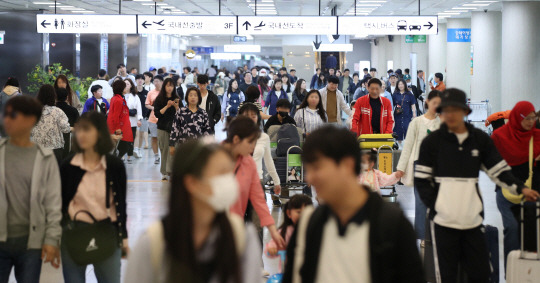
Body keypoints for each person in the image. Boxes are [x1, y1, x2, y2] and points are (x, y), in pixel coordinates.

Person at [415, 88, 539, 283]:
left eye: (456, 110)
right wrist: (437, 206)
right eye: (446, 110)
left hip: (473, 222)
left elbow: (499, 171)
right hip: (443, 223)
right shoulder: (432, 143)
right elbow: (422, 180)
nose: (451, 115)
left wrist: (521, 189)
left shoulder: (478, 140)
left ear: (465, 112)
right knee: (447, 276)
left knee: (481, 274)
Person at [283, 125, 424, 283]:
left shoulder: (393, 225)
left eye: (317, 167)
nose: (309, 179)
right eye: (308, 169)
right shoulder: (309, 224)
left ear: (347, 165)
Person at [124, 141, 261, 283]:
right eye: (222, 174)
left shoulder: (242, 238)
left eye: (230, 173)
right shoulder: (152, 244)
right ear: (192, 183)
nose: (230, 181)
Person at [59, 111, 128, 283]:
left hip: (107, 232)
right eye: (79, 130)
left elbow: (120, 204)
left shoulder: (114, 165)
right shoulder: (68, 166)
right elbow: (59, 204)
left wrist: (123, 237)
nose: (81, 134)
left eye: (87, 130)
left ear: (99, 133)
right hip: (73, 233)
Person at [0, 96, 62, 282]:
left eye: (13, 115)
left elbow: (53, 202)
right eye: (5, 114)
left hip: (31, 243)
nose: (7, 119)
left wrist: (51, 240)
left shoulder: (45, 158)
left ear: (30, 120)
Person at [223, 116, 286, 250]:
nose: (253, 148)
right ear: (236, 139)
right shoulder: (214, 158)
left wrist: (273, 230)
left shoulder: (248, 163)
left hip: (235, 224)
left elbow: (258, 199)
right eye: (251, 142)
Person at [491, 101, 540, 272]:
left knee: (532, 232)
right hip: (506, 192)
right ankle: (511, 272)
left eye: (533, 118)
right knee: (512, 229)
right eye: (527, 118)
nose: (530, 122)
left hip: (530, 192)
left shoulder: (536, 136)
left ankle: (529, 272)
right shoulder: (500, 136)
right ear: (517, 118)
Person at [395, 90, 441, 241]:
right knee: (420, 202)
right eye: (434, 103)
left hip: (437, 167)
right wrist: (400, 168)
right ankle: (422, 237)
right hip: (419, 164)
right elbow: (407, 145)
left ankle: (435, 234)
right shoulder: (417, 122)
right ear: (427, 102)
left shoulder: (442, 123)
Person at [239, 103, 283, 226]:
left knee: (257, 224)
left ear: (258, 118)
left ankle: (257, 246)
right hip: (239, 183)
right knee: (239, 225)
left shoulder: (263, 137)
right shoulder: (235, 137)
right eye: (246, 116)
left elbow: (268, 160)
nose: (250, 118)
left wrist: (276, 181)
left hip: (257, 183)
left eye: (253, 116)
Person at [31, 85, 71, 163]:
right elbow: (66, 129)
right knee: (55, 174)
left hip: (38, 148)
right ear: (53, 96)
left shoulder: (34, 111)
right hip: (55, 148)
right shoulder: (57, 111)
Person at [169, 87, 211, 155]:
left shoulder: (203, 113)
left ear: (199, 98)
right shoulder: (180, 111)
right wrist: (172, 145)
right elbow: (175, 128)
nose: (193, 97)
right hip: (183, 147)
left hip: (199, 148)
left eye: (195, 95)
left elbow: (207, 130)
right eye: (190, 95)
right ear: (187, 98)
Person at [153, 78, 180, 180]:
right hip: (162, 127)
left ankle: (172, 171)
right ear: (164, 87)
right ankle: (164, 172)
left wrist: (176, 107)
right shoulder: (159, 99)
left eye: (171, 86)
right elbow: (157, 114)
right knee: (164, 150)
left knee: (173, 150)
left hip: (175, 128)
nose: (170, 88)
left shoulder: (177, 98)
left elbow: (181, 114)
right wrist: (167, 106)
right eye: (168, 85)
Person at [107, 80, 134, 162]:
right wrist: (118, 128)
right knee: (120, 147)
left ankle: (114, 162)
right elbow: (115, 115)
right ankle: (114, 163)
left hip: (121, 126)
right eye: (125, 87)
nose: (126, 88)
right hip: (118, 127)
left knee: (121, 147)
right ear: (121, 88)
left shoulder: (117, 98)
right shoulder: (118, 100)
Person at [55, 88, 79, 158]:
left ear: (55, 97)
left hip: (55, 141)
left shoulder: (53, 110)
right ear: (67, 97)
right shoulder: (73, 110)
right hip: (69, 140)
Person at [145, 75, 163, 165]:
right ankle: (156, 156)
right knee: (154, 138)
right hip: (153, 119)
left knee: (163, 139)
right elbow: (147, 104)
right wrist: (153, 108)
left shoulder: (165, 93)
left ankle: (164, 155)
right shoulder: (151, 92)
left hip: (164, 119)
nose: (156, 83)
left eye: (157, 81)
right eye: (154, 81)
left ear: (162, 82)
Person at [124, 78, 143, 164]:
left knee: (131, 139)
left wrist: (139, 119)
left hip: (133, 121)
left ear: (131, 85)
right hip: (122, 121)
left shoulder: (135, 96)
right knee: (122, 139)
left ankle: (129, 156)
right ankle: (121, 155)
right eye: (124, 84)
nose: (126, 86)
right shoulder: (119, 96)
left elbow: (139, 109)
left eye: (127, 84)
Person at [134, 75, 150, 156]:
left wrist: (148, 115)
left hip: (144, 116)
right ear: (136, 80)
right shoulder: (133, 92)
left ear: (144, 81)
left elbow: (149, 104)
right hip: (134, 117)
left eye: (141, 79)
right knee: (135, 134)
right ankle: (135, 149)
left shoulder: (147, 93)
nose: (140, 80)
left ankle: (139, 149)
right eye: (138, 79)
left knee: (141, 134)